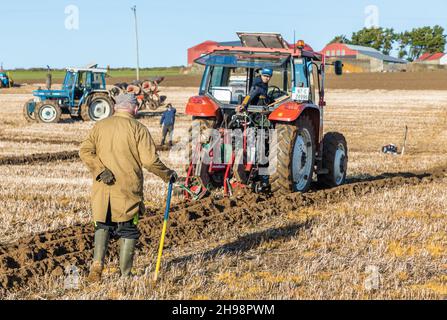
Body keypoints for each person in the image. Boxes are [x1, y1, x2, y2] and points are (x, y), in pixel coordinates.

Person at [80, 94, 177, 282]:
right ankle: (125, 275)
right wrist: (167, 174)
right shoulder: (138, 128)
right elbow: (149, 161)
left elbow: (84, 150)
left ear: (116, 107)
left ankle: (97, 265)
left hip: (103, 188)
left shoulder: (100, 126)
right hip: (126, 189)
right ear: (133, 108)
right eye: (137, 106)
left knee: (102, 225)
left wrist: (100, 170)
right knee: (128, 230)